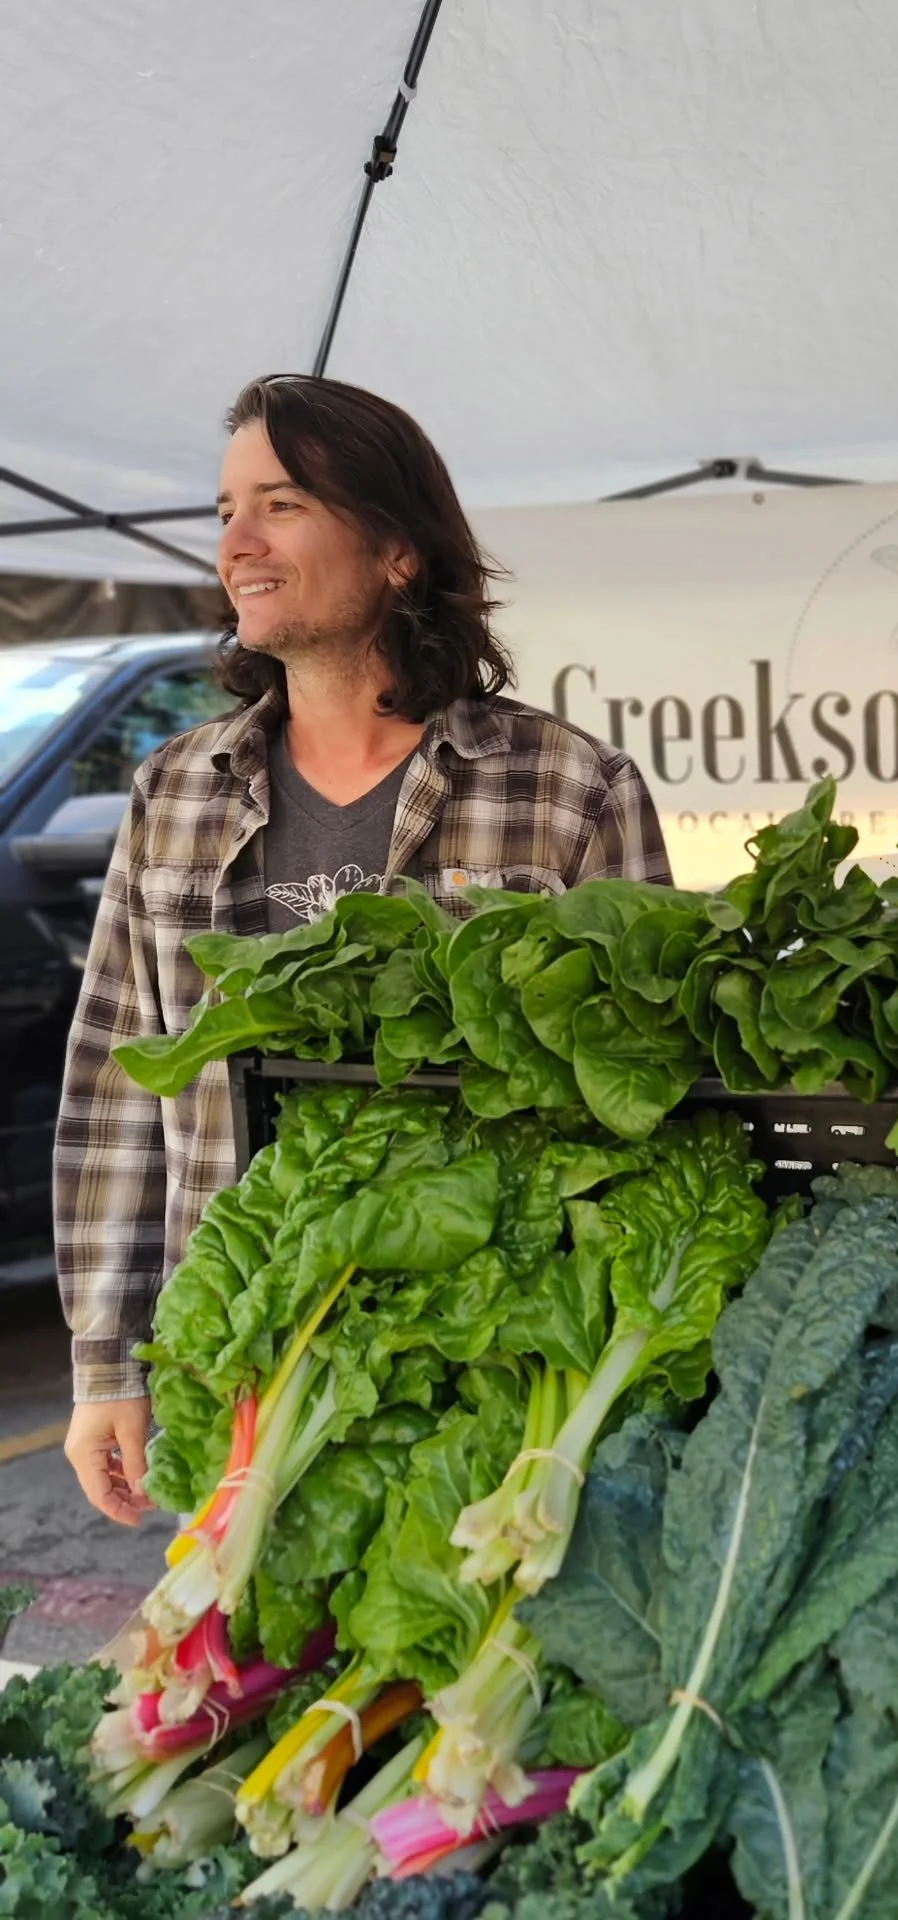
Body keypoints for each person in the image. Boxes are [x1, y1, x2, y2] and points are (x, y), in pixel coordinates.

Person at [58, 373, 672, 1524]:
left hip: (485, 1384)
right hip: (233, 1371)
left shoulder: (572, 789)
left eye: (280, 503)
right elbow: (116, 1084)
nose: (235, 541)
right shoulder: (176, 791)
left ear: (397, 550)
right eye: (228, 507)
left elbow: (639, 1117)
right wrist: (107, 1364)